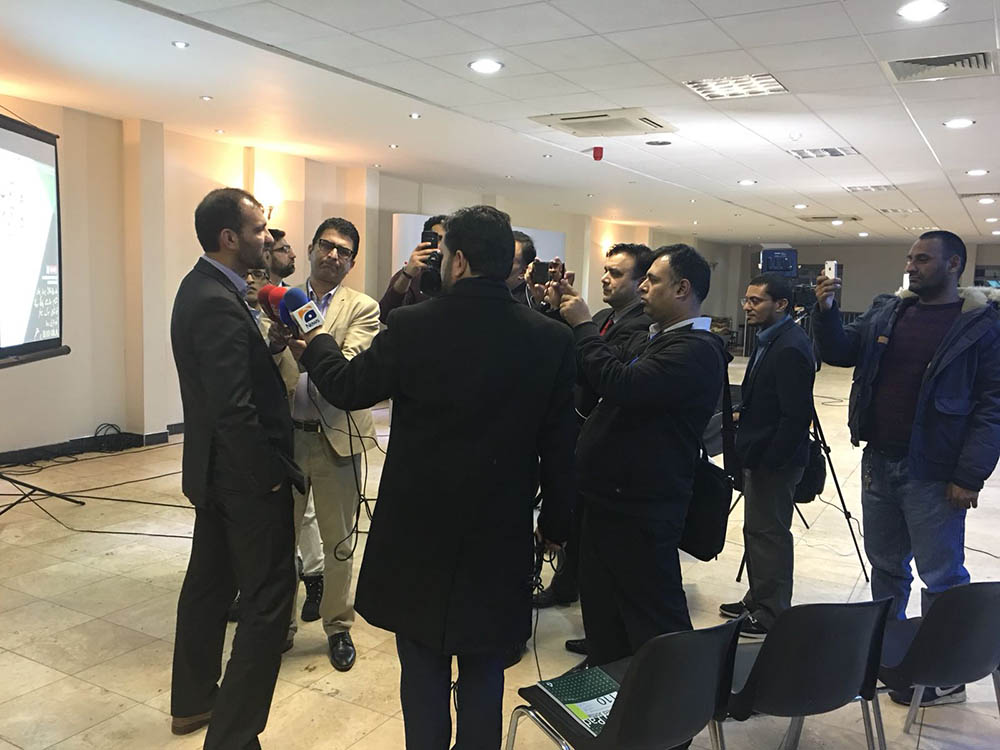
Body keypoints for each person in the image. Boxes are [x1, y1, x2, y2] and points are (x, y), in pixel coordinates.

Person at [288, 205, 576, 750]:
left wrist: (317, 340)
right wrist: (557, 524)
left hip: (418, 530)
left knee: (421, 664)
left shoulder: (414, 325)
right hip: (498, 530)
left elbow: (348, 387)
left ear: (458, 260)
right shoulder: (551, 339)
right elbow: (561, 448)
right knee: (485, 666)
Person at [814, 230, 1000, 707]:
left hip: (934, 470)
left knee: (942, 575)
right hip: (879, 461)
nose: (911, 267)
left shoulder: (980, 325)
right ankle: (890, 655)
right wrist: (827, 311)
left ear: (954, 264)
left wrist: (969, 476)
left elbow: (992, 406)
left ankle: (946, 673)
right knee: (886, 566)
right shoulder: (890, 311)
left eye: (922, 260)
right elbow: (841, 352)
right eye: (909, 259)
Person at [169, 187, 303, 749]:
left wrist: (267, 347)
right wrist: (268, 475)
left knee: (210, 583)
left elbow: (228, 379)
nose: (268, 239)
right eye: (259, 230)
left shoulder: (207, 288)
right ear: (229, 237)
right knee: (270, 598)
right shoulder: (216, 300)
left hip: (217, 471)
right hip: (242, 478)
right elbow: (233, 408)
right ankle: (233, 736)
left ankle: (194, 700)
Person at [554, 244, 728, 670]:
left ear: (682, 289)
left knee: (654, 613)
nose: (643, 287)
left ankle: (675, 696)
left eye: (652, 280)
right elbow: (602, 370)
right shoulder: (659, 338)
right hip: (611, 497)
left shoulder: (695, 349)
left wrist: (583, 326)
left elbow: (621, 384)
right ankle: (609, 673)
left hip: (643, 506)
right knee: (603, 604)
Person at [532, 243, 654, 658]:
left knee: (599, 540)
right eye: (605, 270)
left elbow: (606, 374)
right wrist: (556, 311)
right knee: (578, 523)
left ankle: (607, 636)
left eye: (617, 273)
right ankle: (567, 587)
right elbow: (568, 355)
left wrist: (580, 324)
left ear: (641, 283)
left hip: (612, 449)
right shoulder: (603, 318)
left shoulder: (641, 327)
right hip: (581, 436)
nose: (605, 278)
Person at [277, 217, 380, 671]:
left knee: (339, 544)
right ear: (312, 248)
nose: (333, 255)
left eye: (343, 251)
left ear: (352, 263)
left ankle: (338, 626)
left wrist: (313, 352)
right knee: (279, 541)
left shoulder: (363, 307)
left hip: (337, 438)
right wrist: (274, 345)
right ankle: (279, 626)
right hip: (285, 440)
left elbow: (351, 367)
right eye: (326, 245)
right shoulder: (279, 299)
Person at [718, 273, 815, 639]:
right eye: (746, 300)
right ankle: (757, 599)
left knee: (769, 534)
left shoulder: (790, 346)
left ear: (782, 304)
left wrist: (771, 462)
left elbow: (795, 417)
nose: (747, 307)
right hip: (760, 453)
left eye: (756, 301)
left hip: (775, 461)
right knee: (757, 531)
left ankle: (771, 612)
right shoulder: (771, 339)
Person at [378, 215, 446, 322]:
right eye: (437, 239)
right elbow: (385, 315)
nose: (441, 246)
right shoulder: (412, 273)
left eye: (446, 241)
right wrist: (407, 275)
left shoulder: (457, 274)